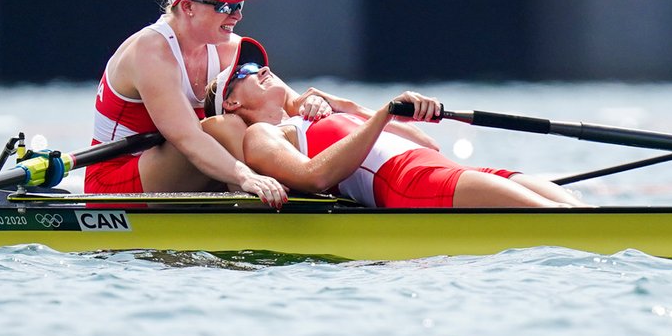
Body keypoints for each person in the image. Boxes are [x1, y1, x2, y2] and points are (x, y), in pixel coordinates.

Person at [202, 42, 589, 209]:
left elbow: (427, 144)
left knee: (583, 210)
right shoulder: (262, 135)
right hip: (411, 184)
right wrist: (383, 114)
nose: (265, 68)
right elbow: (314, 177)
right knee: (569, 223)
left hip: (448, 170)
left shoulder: (315, 114)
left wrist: (350, 106)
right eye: (248, 71)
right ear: (232, 102)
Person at [85, 0, 328, 206]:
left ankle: (305, 187)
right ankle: (259, 207)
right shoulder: (151, 51)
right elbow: (189, 138)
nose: (237, 15)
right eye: (225, 5)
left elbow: (287, 103)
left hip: (187, 167)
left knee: (258, 123)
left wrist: (315, 105)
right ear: (188, 6)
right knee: (228, 126)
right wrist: (246, 176)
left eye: (239, 4)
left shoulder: (228, 47)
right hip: (113, 183)